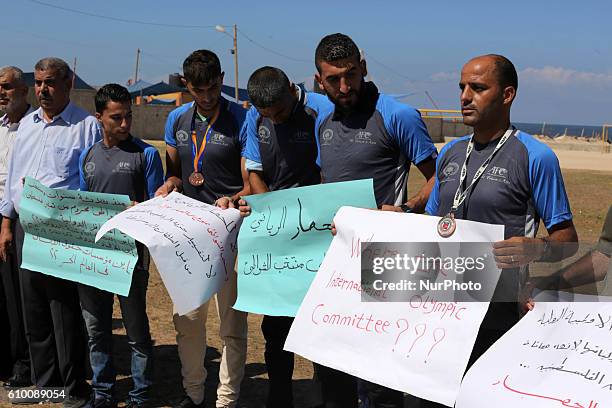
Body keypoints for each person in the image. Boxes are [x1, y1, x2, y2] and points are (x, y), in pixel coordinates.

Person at [420, 54, 579, 407]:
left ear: (507, 95)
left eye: (477, 88)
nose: (464, 96)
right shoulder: (449, 153)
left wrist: (535, 248)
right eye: (462, 87)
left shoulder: (535, 156)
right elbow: (430, 228)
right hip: (439, 316)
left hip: (499, 317)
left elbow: (567, 238)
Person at [313, 33, 439, 407]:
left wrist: (408, 209)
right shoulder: (323, 119)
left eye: (351, 75)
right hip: (332, 265)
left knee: (379, 379)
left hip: (383, 263)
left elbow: (440, 179)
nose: (344, 86)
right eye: (333, 79)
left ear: (363, 68)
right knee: (331, 371)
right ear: (319, 80)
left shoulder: (397, 115)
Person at [0, 57, 102, 408]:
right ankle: (46, 384)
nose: (44, 89)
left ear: (68, 83)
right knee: (35, 311)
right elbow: (13, 177)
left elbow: (90, 181)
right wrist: (6, 224)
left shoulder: (86, 126)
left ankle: (74, 388)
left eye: (51, 83)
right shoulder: (26, 125)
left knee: (63, 311)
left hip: (62, 231)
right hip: (26, 227)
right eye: (39, 83)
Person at [156, 50, 249, 408]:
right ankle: (193, 395)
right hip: (189, 239)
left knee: (232, 326)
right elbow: (175, 172)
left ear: (222, 79)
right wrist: (171, 184)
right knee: (188, 322)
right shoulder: (177, 119)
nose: (207, 97)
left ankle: (227, 399)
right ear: (186, 85)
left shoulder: (242, 119)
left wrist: (231, 198)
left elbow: (250, 183)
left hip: (230, 234)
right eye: (198, 90)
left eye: (213, 88)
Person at [236, 66, 331, 408]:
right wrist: (270, 209)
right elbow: (254, 170)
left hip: (317, 235)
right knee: (276, 329)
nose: (274, 120)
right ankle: (279, 398)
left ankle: (324, 397)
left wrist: (307, 215)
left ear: (292, 90)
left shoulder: (323, 110)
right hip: (277, 235)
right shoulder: (255, 117)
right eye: (267, 115)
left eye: (279, 112)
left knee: (320, 324)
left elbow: (329, 174)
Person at [77, 84, 164, 408]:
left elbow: (158, 210)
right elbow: (82, 204)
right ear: (99, 117)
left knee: (136, 332)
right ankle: (102, 392)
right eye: (117, 117)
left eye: (129, 116)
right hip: (93, 259)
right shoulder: (88, 156)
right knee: (96, 329)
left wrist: (137, 208)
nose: (125, 124)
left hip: (131, 259)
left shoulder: (147, 155)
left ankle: (140, 395)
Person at [0, 65, 34, 388]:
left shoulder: (34, 128)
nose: (2, 92)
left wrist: (7, 222)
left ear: (24, 92)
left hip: (16, 219)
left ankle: (24, 363)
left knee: (18, 297)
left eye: (8, 87)